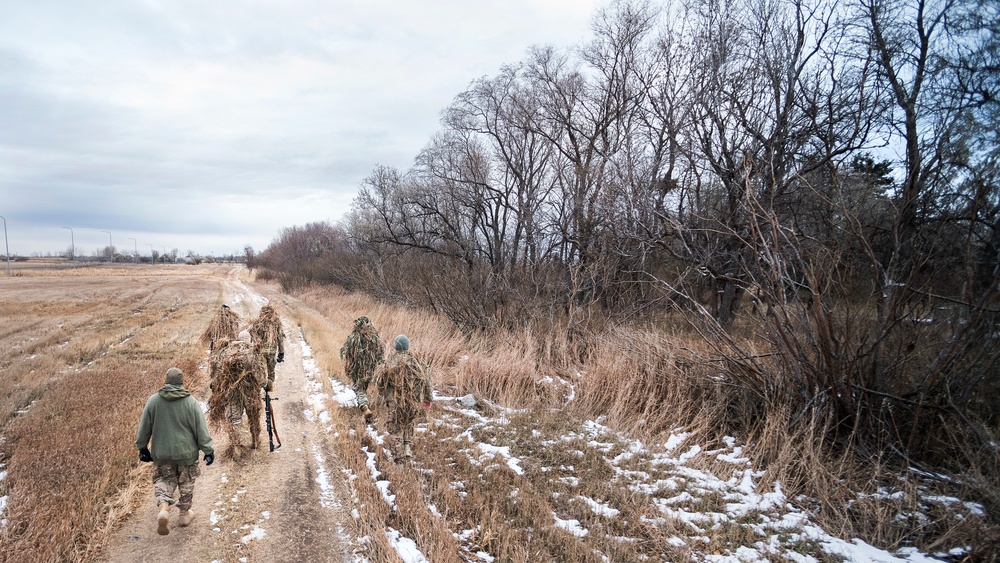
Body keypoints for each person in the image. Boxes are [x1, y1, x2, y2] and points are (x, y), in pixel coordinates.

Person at [136, 367, 214, 536]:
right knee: (186, 483)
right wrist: (208, 450)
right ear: (181, 382)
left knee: (164, 480)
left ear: (166, 381)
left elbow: (144, 428)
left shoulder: (153, 401)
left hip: (162, 453)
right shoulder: (191, 402)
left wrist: (142, 447)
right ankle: (184, 515)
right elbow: (200, 429)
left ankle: (164, 508)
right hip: (186, 453)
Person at [372, 335, 432, 462]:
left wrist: (383, 395)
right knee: (408, 424)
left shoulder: (390, 362)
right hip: (413, 402)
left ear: (395, 346)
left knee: (395, 427)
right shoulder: (417, 362)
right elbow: (427, 381)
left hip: (394, 402)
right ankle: (407, 450)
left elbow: (381, 383)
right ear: (407, 346)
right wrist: (427, 399)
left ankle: (399, 457)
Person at [208, 330, 266, 455]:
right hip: (249, 390)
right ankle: (255, 441)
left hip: (231, 391)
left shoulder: (225, 352)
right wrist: (264, 383)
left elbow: (216, 374)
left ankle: (236, 446)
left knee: (234, 419)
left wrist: (216, 388)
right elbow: (260, 377)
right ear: (249, 340)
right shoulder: (252, 352)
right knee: (253, 416)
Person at [340, 316, 384, 422]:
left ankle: (364, 405)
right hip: (371, 369)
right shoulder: (374, 338)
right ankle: (367, 403)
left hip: (358, 370)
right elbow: (380, 354)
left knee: (359, 388)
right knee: (365, 387)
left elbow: (347, 354)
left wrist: (350, 368)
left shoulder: (353, 338)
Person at [249, 304, 284, 391]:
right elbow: (280, 339)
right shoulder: (276, 323)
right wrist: (281, 353)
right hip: (272, 352)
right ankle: (269, 384)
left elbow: (252, 336)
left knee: (261, 368)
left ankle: (261, 385)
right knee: (271, 370)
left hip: (260, 351)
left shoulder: (257, 323)